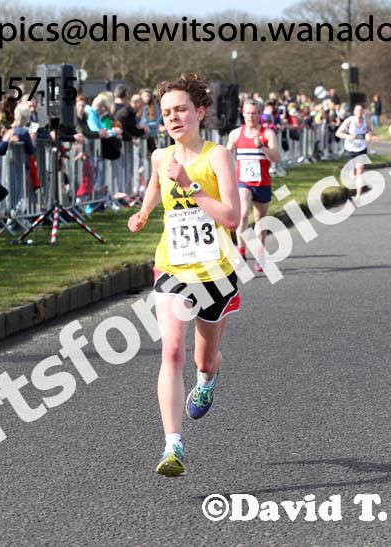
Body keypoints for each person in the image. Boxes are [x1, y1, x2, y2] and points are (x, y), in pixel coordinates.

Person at [127, 73, 241, 477]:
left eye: (181, 110)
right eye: (167, 113)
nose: (174, 118)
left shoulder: (218, 156)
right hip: (172, 266)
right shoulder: (162, 158)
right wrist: (143, 212)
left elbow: (232, 216)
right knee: (171, 351)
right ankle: (172, 447)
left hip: (216, 271)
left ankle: (207, 382)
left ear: (200, 112)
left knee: (203, 358)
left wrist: (191, 186)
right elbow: (156, 186)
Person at [226, 99, 280, 272]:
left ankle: (260, 254)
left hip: (263, 183)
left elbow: (276, 158)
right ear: (243, 114)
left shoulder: (268, 134)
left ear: (260, 114)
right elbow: (226, 155)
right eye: (248, 113)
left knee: (260, 220)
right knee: (242, 215)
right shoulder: (236, 134)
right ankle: (241, 252)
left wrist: (262, 147)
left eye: (254, 113)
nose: (251, 116)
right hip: (243, 182)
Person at [336, 104, 377, 195]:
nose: (359, 111)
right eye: (357, 110)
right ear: (354, 112)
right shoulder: (349, 121)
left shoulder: (366, 121)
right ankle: (353, 178)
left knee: (360, 169)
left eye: (361, 110)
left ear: (363, 112)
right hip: (350, 149)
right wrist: (347, 136)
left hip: (361, 149)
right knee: (352, 173)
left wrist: (371, 136)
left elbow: (371, 132)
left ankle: (358, 195)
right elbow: (338, 133)